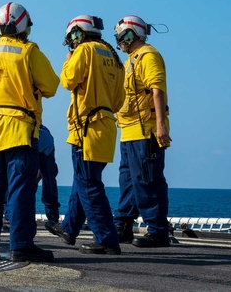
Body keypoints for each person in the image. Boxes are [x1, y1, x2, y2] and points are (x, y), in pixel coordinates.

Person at [0, 2, 59, 263]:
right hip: (20, 131)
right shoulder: (29, 51)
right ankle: (21, 245)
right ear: (24, 26)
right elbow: (52, 87)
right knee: (20, 191)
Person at [57, 14, 126, 255]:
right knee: (83, 181)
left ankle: (106, 239)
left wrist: (68, 60)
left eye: (72, 39)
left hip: (86, 128)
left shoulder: (84, 51)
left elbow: (67, 80)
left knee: (89, 185)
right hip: (106, 127)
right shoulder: (114, 57)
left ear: (78, 33)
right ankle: (68, 229)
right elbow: (119, 101)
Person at [113, 15, 172, 248]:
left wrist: (160, 126)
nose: (119, 41)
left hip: (145, 131)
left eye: (121, 36)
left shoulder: (149, 56)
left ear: (130, 34)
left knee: (148, 180)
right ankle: (123, 225)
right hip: (127, 132)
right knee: (127, 182)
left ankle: (157, 231)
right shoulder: (129, 62)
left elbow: (157, 90)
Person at [37, 124, 61, 231]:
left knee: (18, 180)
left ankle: (11, 214)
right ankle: (53, 217)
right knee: (49, 180)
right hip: (45, 136)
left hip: (27, 135)